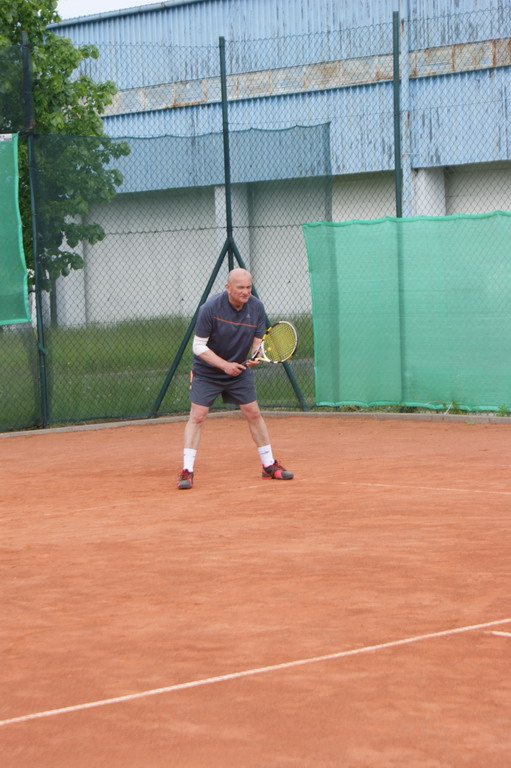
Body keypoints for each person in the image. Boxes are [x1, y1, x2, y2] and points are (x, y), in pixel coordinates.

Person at [177, 267, 294, 489]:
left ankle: (269, 466)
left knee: (254, 413)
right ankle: (187, 471)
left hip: (238, 372)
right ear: (228, 287)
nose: (245, 292)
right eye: (240, 287)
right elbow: (198, 346)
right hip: (208, 371)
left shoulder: (256, 307)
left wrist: (257, 355)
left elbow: (258, 341)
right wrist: (224, 365)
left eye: (248, 287)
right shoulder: (210, 308)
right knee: (198, 416)